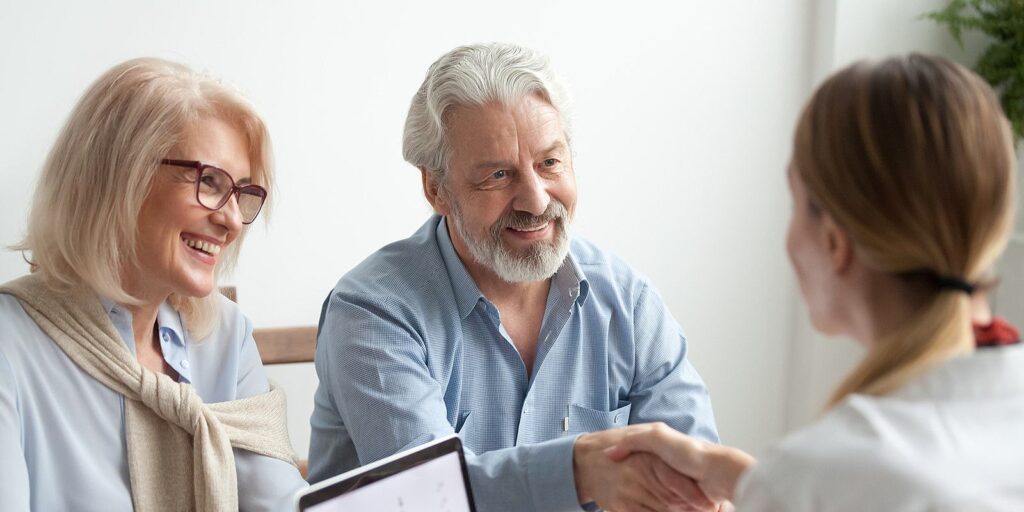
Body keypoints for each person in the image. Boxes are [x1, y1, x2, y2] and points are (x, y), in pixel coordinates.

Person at [308, 42, 719, 511]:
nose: (537, 201)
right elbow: (426, 500)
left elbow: (699, 481)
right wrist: (577, 472)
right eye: (499, 175)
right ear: (436, 189)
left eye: (550, 163)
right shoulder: (372, 311)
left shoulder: (629, 302)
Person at [606, 54, 1024, 511]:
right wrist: (756, 483)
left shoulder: (822, 474)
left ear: (833, 242)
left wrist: (777, 489)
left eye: (796, 201)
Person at [0, 58, 306, 511]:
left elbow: (280, 504)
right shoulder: (11, 345)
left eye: (241, 193)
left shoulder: (226, 335)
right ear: (120, 177)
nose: (229, 220)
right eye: (209, 182)